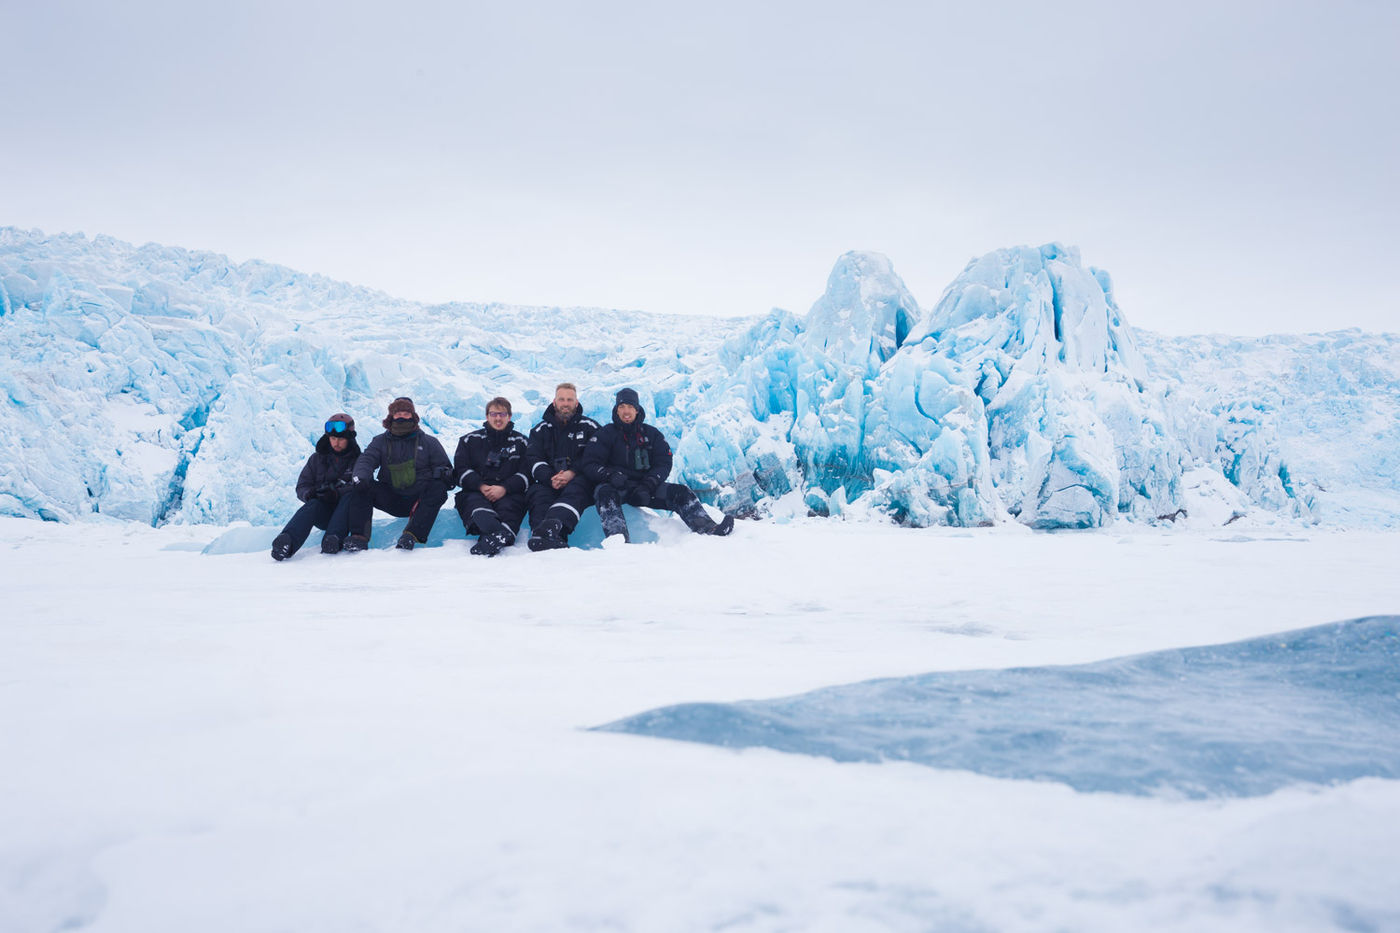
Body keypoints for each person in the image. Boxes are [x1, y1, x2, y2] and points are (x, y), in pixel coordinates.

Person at [582, 387, 735, 543]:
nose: (626, 411)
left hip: (645, 487)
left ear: (637, 410)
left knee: (681, 492)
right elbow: (589, 463)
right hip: (615, 487)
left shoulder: (652, 434)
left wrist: (650, 483)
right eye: (622, 407)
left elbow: (664, 462)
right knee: (604, 494)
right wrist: (610, 475)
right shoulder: (605, 434)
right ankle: (618, 539)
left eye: (630, 407)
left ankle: (708, 528)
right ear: (616, 411)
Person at [333, 396, 453, 552]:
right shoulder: (380, 441)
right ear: (391, 416)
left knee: (438, 488)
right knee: (362, 486)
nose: (402, 416)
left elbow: (445, 468)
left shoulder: (429, 442)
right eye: (398, 413)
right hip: (390, 498)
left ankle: (411, 535)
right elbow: (366, 460)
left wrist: (444, 475)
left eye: (406, 413)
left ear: (413, 416)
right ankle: (358, 538)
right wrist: (360, 477)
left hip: (419, 501)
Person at [271, 413, 362, 560]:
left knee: (350, 497)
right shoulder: (316, 459)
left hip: (347, 515)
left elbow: (362, 486)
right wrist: (311, 493)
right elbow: (302, 486)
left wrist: (337, 494)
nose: (336, 442)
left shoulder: (359, 460)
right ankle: (286, 541)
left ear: (350, 438)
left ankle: (333, 539)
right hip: (324, 513)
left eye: (340, 439)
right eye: (333, 438)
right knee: (313, 504)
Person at [524, 382, 601, 550]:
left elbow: (595, 455)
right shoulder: (540, 430)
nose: (565, 403)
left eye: (569, 399)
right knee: (537, 493)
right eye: (562, 399)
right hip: (549, 480)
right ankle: (540, 534)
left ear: (576, 402)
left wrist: (572, 472)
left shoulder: (591, 427)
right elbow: (533, 458)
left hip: (578, 480)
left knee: (578, 489)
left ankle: (555, 533)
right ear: (554, 402)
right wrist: (550, 478)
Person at [453, 397, 531, 556]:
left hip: (509, 492)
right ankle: (496, 530)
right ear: (487, 416)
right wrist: (481, 486)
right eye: (494, 414)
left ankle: (498, 533)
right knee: (474, 504)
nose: (498, 418)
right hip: (477, 490)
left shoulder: (522, 442)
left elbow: (527, 473)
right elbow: (460, 470)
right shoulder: (469, 440)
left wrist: (505, 488)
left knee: (511, 507)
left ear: (509, 416)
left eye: (502, 414)